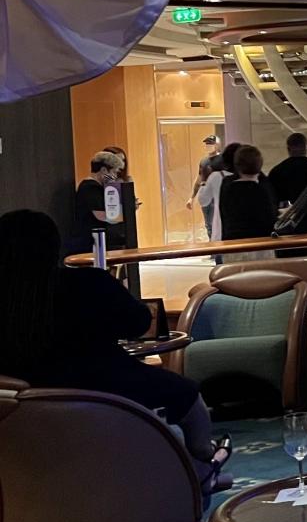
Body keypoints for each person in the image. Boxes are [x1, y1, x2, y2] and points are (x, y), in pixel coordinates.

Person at [0, 209, 232, 492]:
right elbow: (139, 323)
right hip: (108, 394)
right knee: (187, 396)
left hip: (27, 413)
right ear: (53, 247)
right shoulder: (88, 284)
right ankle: (204, 464)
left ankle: (198, 471)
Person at [218, 145, 278, 260]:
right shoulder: (262, 189)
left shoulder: (227, 188)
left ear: (237, 165)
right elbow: (270, 219)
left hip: (233, 245)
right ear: (259, 164)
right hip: (261, 245)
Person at [67, 150, 127, 254]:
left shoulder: (94, 187)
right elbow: (101, 215)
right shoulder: (91, 188)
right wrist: (125, 212)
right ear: (104, 170)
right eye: (114, 172)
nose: (115, 177)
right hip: (90, 243)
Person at [201, 142, 241, 245]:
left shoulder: (216, 177)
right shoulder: (252, 177)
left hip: (221, 232)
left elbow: (203, 201)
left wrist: (204, 180)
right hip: (245, 234)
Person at [186, 135, 222, 232]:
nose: (208, 146)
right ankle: (212, 239)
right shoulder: (203, 161)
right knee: (208, 224)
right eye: (207, 144)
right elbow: (199, 179)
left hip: (218, 195)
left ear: (217, 145)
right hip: (206, 195)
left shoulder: (222, 160)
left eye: (210, 143)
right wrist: (192, 198)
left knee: (217, 223)